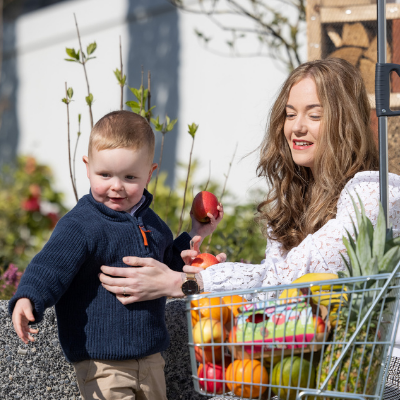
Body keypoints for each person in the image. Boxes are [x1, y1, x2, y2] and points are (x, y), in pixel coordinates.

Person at [98, 59, 400, 397]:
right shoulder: (294, 199)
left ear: (346, 123)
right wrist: (208, 266)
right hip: (309, 370)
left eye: (314, 115)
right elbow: (276, 298)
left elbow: (287, 278)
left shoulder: (374, 195)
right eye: (290, 114)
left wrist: (188, 282)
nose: (297, 127)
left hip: (375, 375)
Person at [9, 110, 223, 400]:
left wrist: (194, 235)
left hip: (150, 360)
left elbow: (166, 269)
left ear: (150, 173)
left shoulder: (154, 225)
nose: (117, 186)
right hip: (102, 363)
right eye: (105, 174)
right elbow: (50, 266)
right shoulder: (81, 224)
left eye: (130, 176)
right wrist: (28, 297)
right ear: (87, 167)